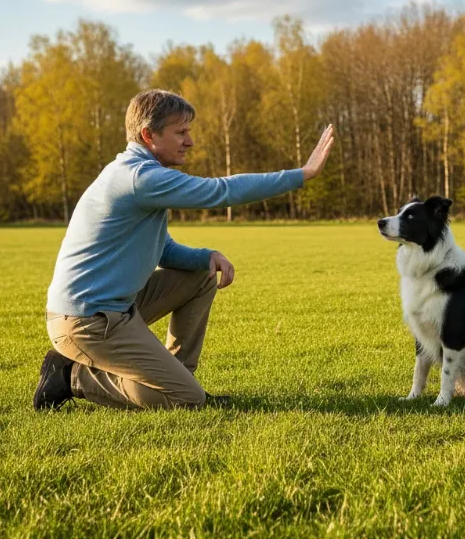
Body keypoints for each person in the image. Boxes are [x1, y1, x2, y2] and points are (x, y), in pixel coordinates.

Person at [34, 89, 334, 411]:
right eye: (181, 132)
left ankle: (175, 378)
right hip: (87, 319)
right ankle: (71, 376)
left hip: (115, 307)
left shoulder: (138, 175)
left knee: (202, 276)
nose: (189, 141)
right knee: (187, 399)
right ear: (149, 135)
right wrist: (303, 174)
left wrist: (206, 257)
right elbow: (222, 191)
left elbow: (161, 248)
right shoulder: (139, 178)